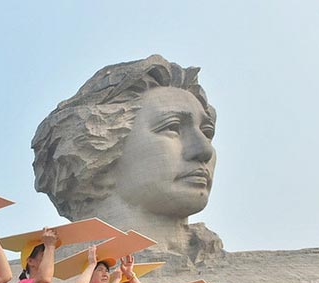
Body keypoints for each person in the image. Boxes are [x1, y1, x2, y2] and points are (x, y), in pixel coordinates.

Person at [32, 55, 216, 255]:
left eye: (207, 132)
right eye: (172, 127)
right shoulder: (31, 281)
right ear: (97, 162)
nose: (204, 150)